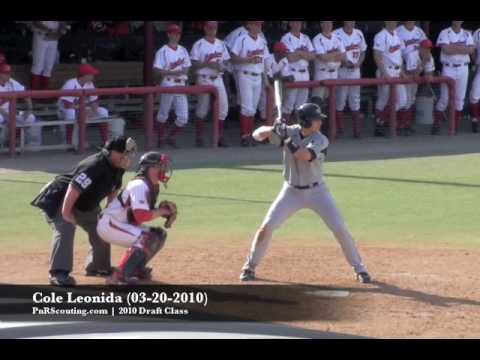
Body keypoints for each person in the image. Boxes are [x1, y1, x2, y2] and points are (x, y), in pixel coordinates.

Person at [240, 103, 371, 284]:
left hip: (318, 192)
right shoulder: (289, 131)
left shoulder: (321, 139)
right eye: (317, 119)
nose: (320, 122)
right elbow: (257, 135)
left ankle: (360, 268)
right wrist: (273, 128)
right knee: (266, 227)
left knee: (339, 228)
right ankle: (250, 266)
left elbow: (304, 156)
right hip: (291, 192)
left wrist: (286, 139)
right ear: (307, 121)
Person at [31, 136, 137, 286]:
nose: (126, 157)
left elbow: (113, 190)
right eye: (124, 153)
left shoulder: (118, 167)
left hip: (86, 203)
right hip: (61, 199)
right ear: (112, 152)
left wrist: (109, 213)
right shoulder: (95, 165)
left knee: (102, 227)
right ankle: (59, 273)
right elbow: (74, 188)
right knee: (66, 228)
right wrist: (66, 213)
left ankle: (98, 267)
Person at [97, 152, 177, 285]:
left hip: (120, 223)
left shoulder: (152, 185)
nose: (164, 169)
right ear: (150, 168)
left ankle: (135, 269)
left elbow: (138, 217)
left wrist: (162, 212)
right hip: (110, 224)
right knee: (147, 238)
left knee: (158, 234)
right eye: (161, 166)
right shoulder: (140, 185)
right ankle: (118, 277)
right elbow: (141, 216)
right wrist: (161, 211)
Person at [58, 64, 121, 147]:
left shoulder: (90, 84)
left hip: (83, 108)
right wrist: (85, 111)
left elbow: (94, 101)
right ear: (84, 75)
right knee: (71, 113)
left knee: (103, 111)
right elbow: (68, 105)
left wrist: (94, 110)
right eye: (91, 74)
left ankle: (105, 142)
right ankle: (71, 142)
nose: (93, 76)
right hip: (66, 110)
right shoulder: (70, 84)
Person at [190, 21, 231, 147]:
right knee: (203, 109)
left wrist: (222, 67)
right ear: (205, 28)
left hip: (217, 78)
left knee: (223, 109)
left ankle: (219, 137)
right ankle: (199, 137)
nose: (212, 30)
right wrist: (208, 64)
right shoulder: (199, 44)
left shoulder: (221, 44)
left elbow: (227, 62)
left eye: (214, 28)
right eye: (210, 27)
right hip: (204, 77)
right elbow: (193, 64)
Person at [230, 21, 270, 147]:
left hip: (258, 76)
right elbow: (233, 58)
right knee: (247, 107)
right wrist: (248, 60)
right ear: (250, 25)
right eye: (257, 24)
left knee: (252, 109)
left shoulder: (262, 41)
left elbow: (265, 62)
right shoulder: (242, 39)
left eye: (260, 25)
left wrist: (266, 80)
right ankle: (244, 136)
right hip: (245, 75)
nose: (259, 26)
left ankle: (249, 135)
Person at [432, 21, 475, 135]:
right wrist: (462, 47)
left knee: (459, 100)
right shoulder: (445, 32)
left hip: (463, 68)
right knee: (444, 99)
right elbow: (447, 50)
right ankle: (436, 124)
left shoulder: (467, 34)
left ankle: (454, 127)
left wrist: (454, 47)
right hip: (448, 68)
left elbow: (471, 50)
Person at [154, 24, 192, 148]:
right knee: (163, 114)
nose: (176, 35)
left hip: (180, 83)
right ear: (168, 34)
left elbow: (187, 67)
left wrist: (183, 73)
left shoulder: (183, 50)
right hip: (168, 82)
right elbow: (157, 69)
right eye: (173, 33)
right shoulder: (163, 50)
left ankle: (170, 136)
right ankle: (160, 139)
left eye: (178, 33)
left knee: (183, 117)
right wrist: (173, 72)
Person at [373, 21, 408, 137]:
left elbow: (399, 55)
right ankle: (378, 126)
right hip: (386, 70)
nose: (394, 23)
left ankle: (382, 120)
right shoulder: (381, 35)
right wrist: (384, 73)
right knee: (383, 100)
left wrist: (402, 71)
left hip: (397, 71)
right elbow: (377, 55)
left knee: (403, 100)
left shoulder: (397, 35)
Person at [333, 21, 367, 138]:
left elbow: (363, 51)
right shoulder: (336, 34)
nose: (351, 22)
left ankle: (356, 131)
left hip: (355, 71)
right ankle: (339, 130)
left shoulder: (359, 33)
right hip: (341, 70)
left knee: (355, 99)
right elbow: (333, 52)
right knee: (340, 99)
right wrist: (343, 62)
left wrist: (359, 63)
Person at [312, 21, 345, 135]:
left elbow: (343, 56)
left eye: (329, 23)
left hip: (334, 73)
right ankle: (316, 130)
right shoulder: (317, 39)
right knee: (318, 102)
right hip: (322, 73)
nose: (328, 25)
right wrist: (335, 54)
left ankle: (330, 129)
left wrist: (330, 56)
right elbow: (322, 57)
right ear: (321, 24)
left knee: (331, 102)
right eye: (325, 23)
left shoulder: (337, 37)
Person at [396, 21, 428, 134]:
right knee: (402, 97)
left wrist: (420, 69)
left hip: (416, 67)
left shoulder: (419, 31)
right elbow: (395, 53)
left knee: (411, 97)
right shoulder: (398, 31)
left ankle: (406, 124)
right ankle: (397, 124)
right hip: (403, 67)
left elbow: (426, 50)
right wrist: (401, 70)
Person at [280, 21, 315, 124]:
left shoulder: (306, 38)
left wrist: (299, 53)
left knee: (302, 105)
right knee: (288, 104)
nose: (297, 24)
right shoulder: (285, 38)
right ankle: (285, 130)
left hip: (305, 73)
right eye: (294, 22)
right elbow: (289, 58)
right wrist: (304, 54)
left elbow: (313, 56)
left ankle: (299, 129)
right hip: (292, 73)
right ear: (290, 24)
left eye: (299, 22)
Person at [0, 63, 41, 147]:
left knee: (30, 118)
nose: (8, 75)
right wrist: (6, 115)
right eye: (5, 73)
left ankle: (14, 139)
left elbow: (24, 93)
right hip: (1, 113)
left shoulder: (11, 81)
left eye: (8, 73)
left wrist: (29, 109)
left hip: (9, 111)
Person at [403, 39, 435, 135]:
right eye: (425, 48)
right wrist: (423, 63)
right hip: (404, 78)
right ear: (420, 48)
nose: (427, 50)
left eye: (429, 48)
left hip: (414, 80)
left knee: (411, 100)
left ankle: (406, 125)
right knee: (405, 101)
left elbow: (429, 73)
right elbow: (413, 75)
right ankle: (402, 125)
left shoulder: (429, 57)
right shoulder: (412, 55)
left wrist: (428, 75)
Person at [258, 42, 294, 125]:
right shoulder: (268, 59)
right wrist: (281, 77)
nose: (285, 53)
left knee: (275, 108)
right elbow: (270, 79)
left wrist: (279, 77)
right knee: (264, 110)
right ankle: (264, 132)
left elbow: (290, 78)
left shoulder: (284, 59)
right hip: (263, 85)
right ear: (277, 52)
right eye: (283, 52)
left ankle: (273, 131)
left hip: (275, 86)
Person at [30, 21, 69, 90]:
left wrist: (60, 32)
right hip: (41, 36)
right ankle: (34, 91)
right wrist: (49, 30)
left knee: (49, 65)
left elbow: (62, 24)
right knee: (38, 65)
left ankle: (44, 92)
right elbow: (36, 22)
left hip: (54, 38)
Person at [469, 27, 480, 133]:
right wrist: (475, 62)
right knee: (474, 95)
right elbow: (472, 50)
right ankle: (475, 120)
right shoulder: (477, 32)